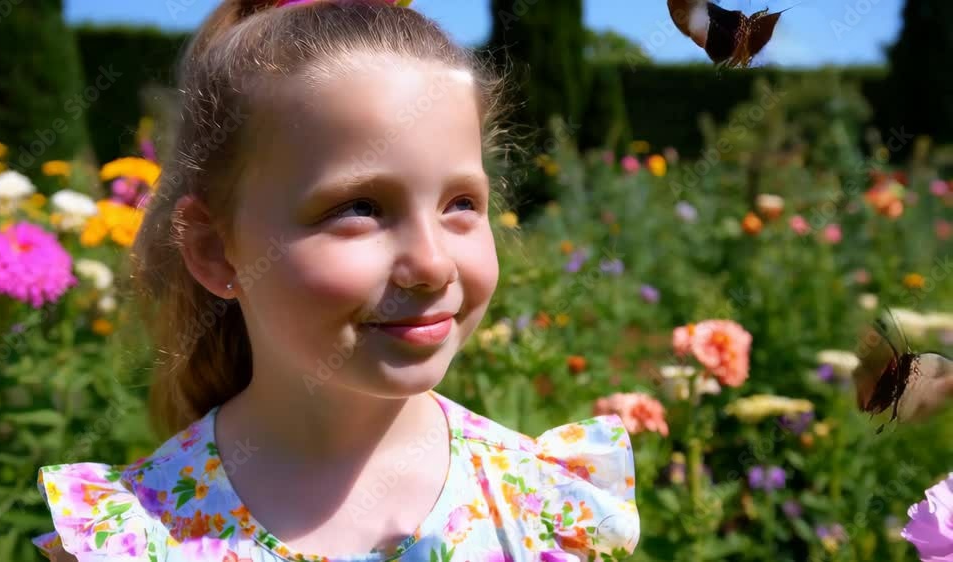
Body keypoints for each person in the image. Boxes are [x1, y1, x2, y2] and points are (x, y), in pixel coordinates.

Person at [31, 0, 640, 559]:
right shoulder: (138, 537)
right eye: (360, 209)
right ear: (216, 251)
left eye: (460, 204)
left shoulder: (540, 508)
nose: (433, 264)